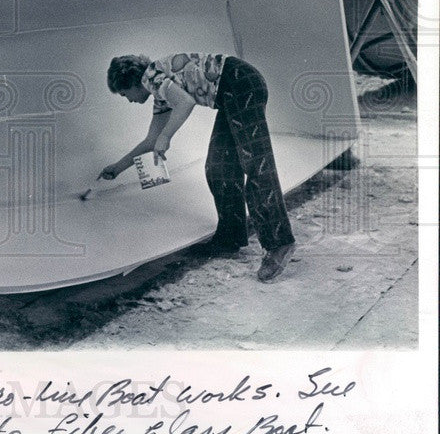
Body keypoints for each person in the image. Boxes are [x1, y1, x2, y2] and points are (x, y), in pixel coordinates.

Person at [101, 53, 296, 282]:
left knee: (256, 164)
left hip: (240, 83)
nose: (129, 100)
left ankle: (280, 243)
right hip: (231, 93)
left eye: (125, 94)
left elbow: (185, 103)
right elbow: (152, 140)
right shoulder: (160, 92)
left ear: (132, 82)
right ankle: (229, 238)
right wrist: (118, 167)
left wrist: (167, 136)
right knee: (219, 168)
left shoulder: (150, 76)